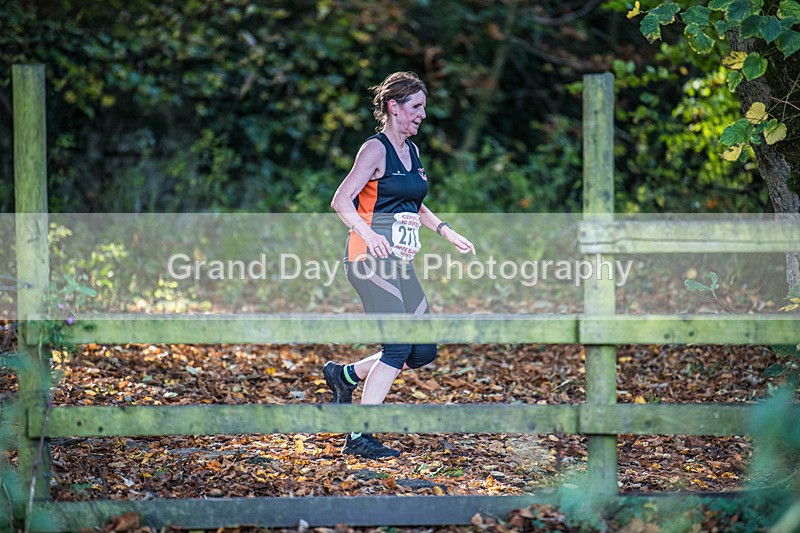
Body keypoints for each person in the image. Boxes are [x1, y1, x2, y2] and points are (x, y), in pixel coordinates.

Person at [325, 71, 476, 459]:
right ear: (393, 107)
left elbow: (413, 200)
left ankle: (345, 375)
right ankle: (359, 436)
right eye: (416, 107)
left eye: (423, 107)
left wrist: (445, 230)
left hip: (398, 263)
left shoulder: (412, 150)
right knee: (397, 345)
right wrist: (370, 233)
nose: (422, 115)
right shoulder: (374, 150)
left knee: (421, 350)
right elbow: (341, 200)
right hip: (368, 257)